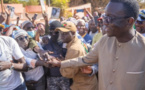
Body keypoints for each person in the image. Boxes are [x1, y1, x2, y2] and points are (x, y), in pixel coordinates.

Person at [48, 0, 145, 90]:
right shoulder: (103, 41)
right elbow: (84, 60)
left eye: (110, 18)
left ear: (129, 21)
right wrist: (60, 63)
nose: (104, 22)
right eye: (105, 17)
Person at [56, 21, 98, 90]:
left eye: (65, 33)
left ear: (73, 33)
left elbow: (68, 73)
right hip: (85, 83)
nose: (62, 36)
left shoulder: (74, 48)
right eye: (61, 33)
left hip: (84, 85)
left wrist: (59, 64)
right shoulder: (77, 41)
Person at [43, 21, 70, 90]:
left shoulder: (66, 42)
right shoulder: (46, 44)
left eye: (56, 32)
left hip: (64, 77)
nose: (53, 34)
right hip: (51, 78)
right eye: (51, 32)